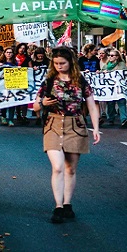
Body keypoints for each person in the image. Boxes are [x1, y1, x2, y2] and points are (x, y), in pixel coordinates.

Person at [32, 46, 101, 224]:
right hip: (53, 124)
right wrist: (43, 102)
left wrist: (96, 128)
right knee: (57, 167)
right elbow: (35, 106)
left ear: (71, 62)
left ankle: (67, 203)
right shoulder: (49, 82)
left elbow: (92, 106)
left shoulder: (81, 81)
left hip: (75, 125)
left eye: (62, 63)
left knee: (70, 168)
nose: (59, 66)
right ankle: (58, 206)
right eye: (55, 63)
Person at [102, 49, 127, 127]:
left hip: (119, 87)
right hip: (110, 88)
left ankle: (124, 119)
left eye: (112, 55)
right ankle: (111, 118)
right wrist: (101, 72)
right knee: (110, 103)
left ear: (117, 57)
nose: (110, 57)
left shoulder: (121, 64)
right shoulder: (107, 64)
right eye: (109, 55)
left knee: (121, 102)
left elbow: (123, 73)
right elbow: (102, 72)